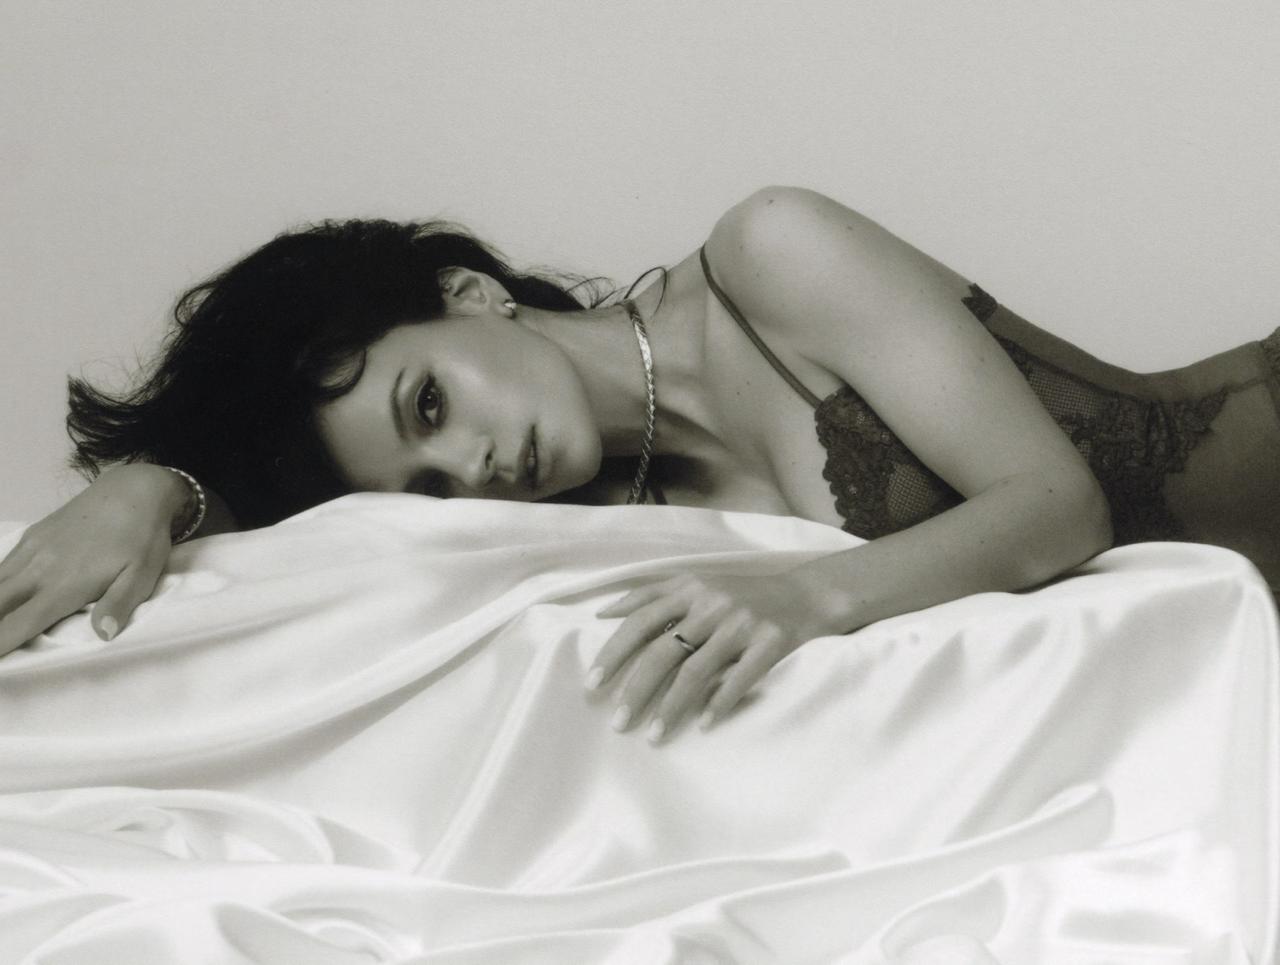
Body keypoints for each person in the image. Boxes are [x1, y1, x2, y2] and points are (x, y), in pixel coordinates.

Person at [2, 186, 1277, 742]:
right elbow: (313, 560)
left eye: (429, 401)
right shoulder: (608, 509)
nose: (470, 468)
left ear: (470, 294)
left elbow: (1058, 509)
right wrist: (150, 486)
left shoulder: (771, 254)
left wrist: (813, 594)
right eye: (430, 483)